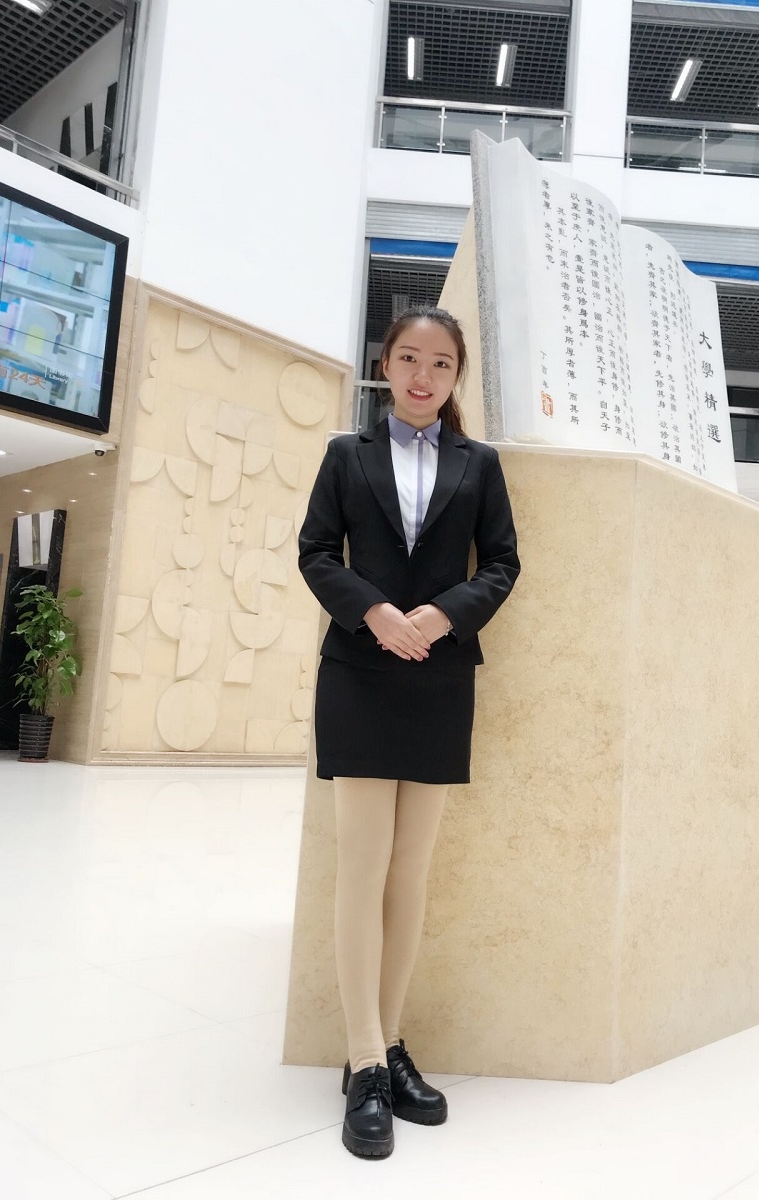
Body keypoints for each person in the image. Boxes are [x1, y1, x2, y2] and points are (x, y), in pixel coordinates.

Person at [297, 305, 520, 1159]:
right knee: (362, 868)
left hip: (440, 677)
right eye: (409, 359)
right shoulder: (344, 454)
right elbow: (318, 553)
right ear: (386, 365)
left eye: (441, 364)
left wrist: (440, 615)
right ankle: (364, 1062)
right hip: (359, 672)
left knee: (411, 871)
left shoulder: (480, 463)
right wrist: (377, 613)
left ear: (456, 375)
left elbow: (502, 562)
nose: (424, 376)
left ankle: (387, 1046)